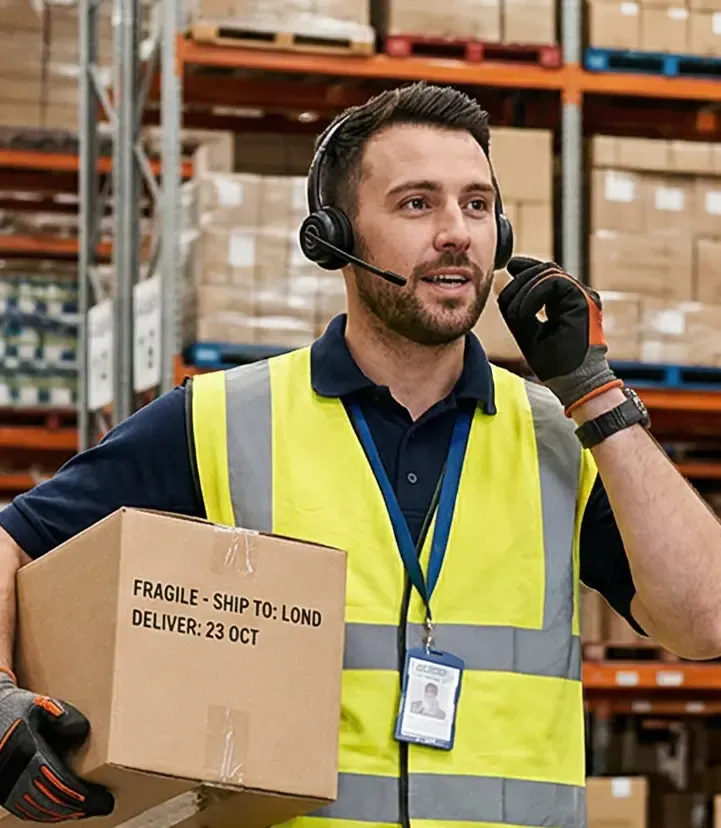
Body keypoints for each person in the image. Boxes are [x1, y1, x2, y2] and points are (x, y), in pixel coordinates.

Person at [0, 81, 720, 827]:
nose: (456, 233)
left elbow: (704, 622)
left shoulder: (557, 436)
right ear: (332, 237)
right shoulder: (220, 421)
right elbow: (10, 542)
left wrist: (593, 391)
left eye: (476, 206)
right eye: (417, 204)